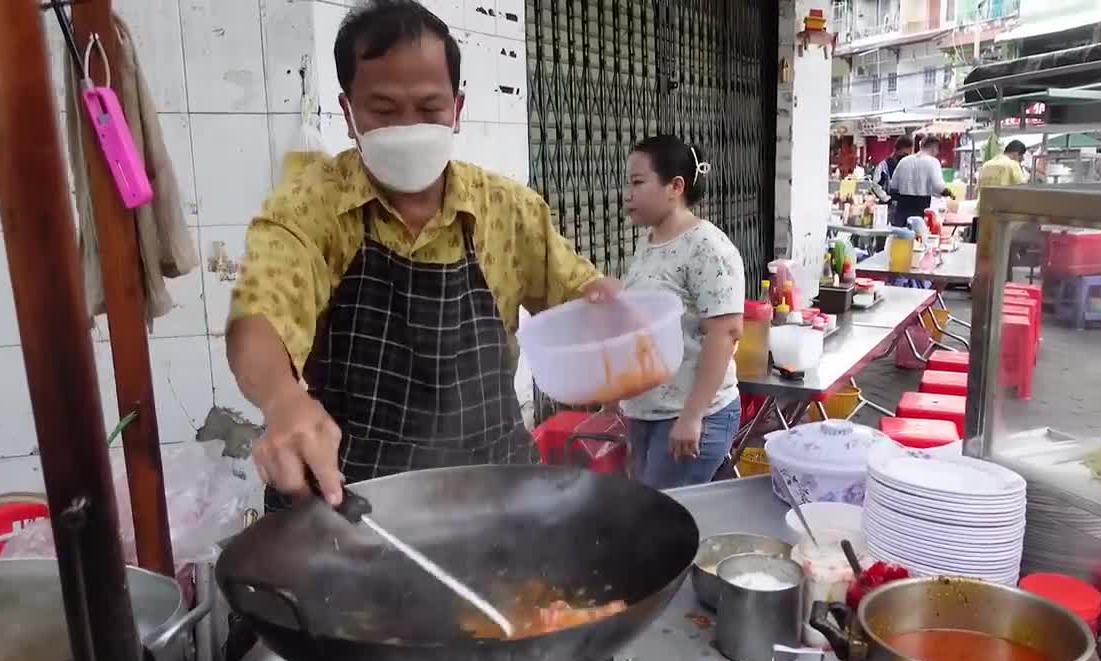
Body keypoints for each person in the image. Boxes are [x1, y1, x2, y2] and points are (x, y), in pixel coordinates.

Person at [226, 0, 620, 509]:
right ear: (348, 113)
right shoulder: (309, 207)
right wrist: (283, 399)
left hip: (493, 484)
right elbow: (258, 317)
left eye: (430, 108)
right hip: (354, 496)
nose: (409, 127)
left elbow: (579, 303)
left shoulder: (510, 209)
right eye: (385, 111)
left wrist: (611, 316)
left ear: (456, 109)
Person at [620, 135, 744, 489]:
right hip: (648, 411)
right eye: (628, 182)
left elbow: (725, 333)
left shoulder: (707, 247)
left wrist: (692, 417)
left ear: (675, 186)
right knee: (653, 518)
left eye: (638, 182)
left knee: (660, 526)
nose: (628, 194)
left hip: (690, 416)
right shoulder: (649, 244)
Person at [889, 136, 954, 228]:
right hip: (920, 208)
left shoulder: (904, 161)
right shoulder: (933, 162)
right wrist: (949, 193)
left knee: (902, 237)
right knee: (919, 237)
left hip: (902, 208)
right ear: (934, 148)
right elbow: (938, 186)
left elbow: (893, 185)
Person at [873, 135, 915, 201]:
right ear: (896, 150)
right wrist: (886, 198)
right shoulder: (884, 166)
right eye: (905, 154)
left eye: (909, 155)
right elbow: (876, 185)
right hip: (888, 205)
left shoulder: (909, 166)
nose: (906, 157)